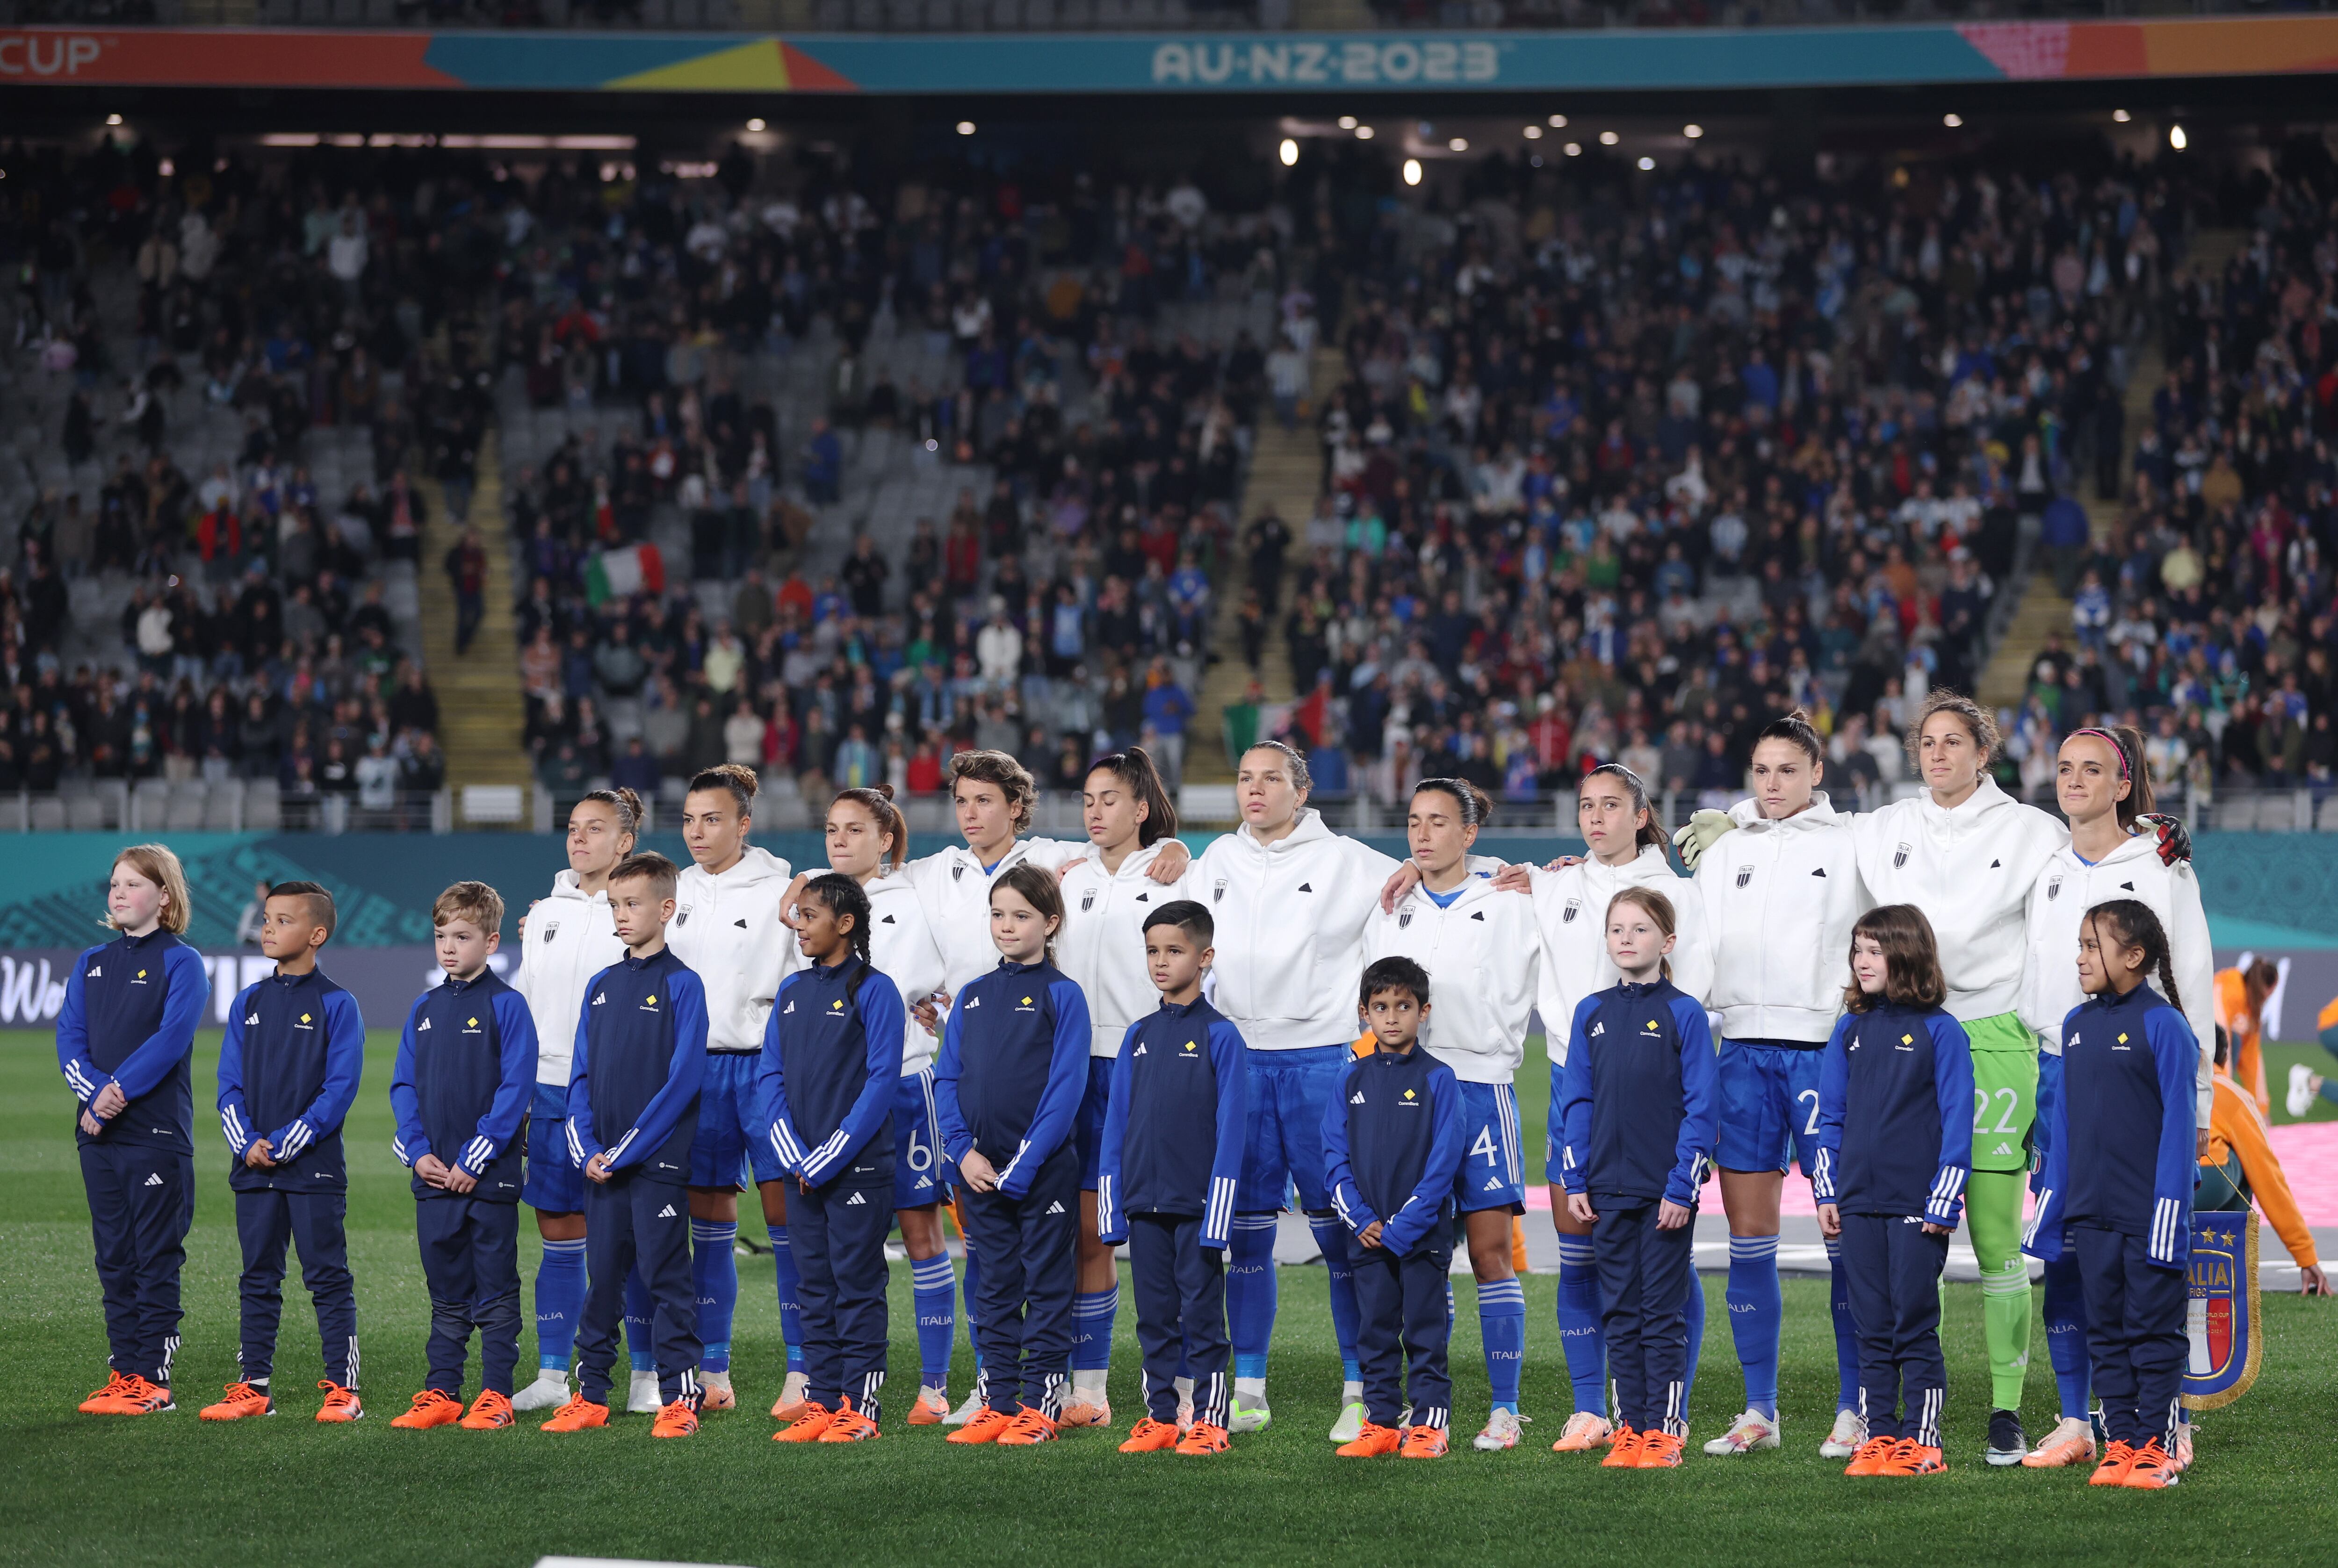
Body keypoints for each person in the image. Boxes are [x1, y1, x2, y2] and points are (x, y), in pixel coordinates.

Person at [1190, 741, 1401, 1436]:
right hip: (1240, 1062)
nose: (1255, 790)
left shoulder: (1348, 861)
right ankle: (1248, 1385)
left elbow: (1428, 873)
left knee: (1340, 1233)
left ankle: (1360, 1384)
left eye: (1271, 779)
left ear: (1301, 791)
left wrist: (1516, 875)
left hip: (1319, 1063)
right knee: (1245, 1235)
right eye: (1245, 778)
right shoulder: (1215, 860)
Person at [2018, 727, 2215, 1469]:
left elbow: (2191, 979)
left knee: (2151, 1252)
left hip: (2144, 1074)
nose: (2072, 780)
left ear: (2122, 784)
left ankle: (2166, 1421)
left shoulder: (2163, 866)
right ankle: (2081, 1420)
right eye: (2064, 767)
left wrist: (2198, 1104)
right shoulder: (2047, 869)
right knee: (2073, 1251)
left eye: (2091, 769)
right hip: (2060, 1064)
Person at [1509, 763, 1713, 1453]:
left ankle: (1666, 1416)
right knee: (1585, 1262)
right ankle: (1600, 1411)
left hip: (1653, 1101)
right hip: (1581, 1091)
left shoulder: (1681, 894)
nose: (1596, 818)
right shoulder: (1557, 881)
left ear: (1640, 812)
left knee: (1664, 1276)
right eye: (1586, 806)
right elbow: (1472, 871)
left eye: (1611, 806)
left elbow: (1698, 1013)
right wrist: (1413, 874)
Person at [1689, 712, 1870, 1459]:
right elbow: (1693, 942)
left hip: (1822, 1053)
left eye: (1787, 770)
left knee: (1844, 1238)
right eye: (1761, 771)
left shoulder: (1853, 841)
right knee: (1749, 1238)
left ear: (1817, 772)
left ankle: (1855, 1405)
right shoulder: (1724, 848)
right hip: (1740, 1054)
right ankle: (1759, 1409)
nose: (1772, 784)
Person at [1364, 779, 1538, 1451]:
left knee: (1492, 1253)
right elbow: (1370, 992)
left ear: (1470, 834)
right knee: (1418, 1253)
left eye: (1439, 821)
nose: (1423, 834)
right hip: (1407, 1092)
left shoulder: (1509, 898)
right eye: (1413, 821)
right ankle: (1422, 1405)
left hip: (1480, 1087)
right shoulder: (1392, 902)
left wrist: (1503, 870)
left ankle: (1504, 1407)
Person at [2022, 900, 2201, 1490]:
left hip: (2149, 1215)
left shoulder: (2164, 1026)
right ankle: (2120, 1444)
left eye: (2091, 947)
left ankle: (2155, 1448)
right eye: (2078, 945)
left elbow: (2178, 1128)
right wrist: (2055, 1209)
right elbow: (2067, 1127)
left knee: (2152, 1334)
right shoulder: (2076, 1026)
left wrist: (2169, 1214)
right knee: (2105, 1332)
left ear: (2134, 956)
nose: (2079, 958)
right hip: (2090, 1217)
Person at [541, 852, 711, 1439]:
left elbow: (683, 1080)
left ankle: (680, 1399)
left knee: (668, 1280)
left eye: (632, 904)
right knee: (603, 1278)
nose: (621, 914)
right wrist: (586, 1147)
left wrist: (626, 1150)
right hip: (602, 1167)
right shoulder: (602, 985)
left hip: (656, 1164)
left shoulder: (683, 985)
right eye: (615, 904)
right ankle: (591, 1396)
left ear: (666, 909)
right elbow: (580, 1079)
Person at [1557, 888, 1717, 1470]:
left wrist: (1682, 1186)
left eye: (1640, 929)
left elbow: (1702, 1107)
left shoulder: (1683, 1013)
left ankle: (1664, 1431)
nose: (1626, 939)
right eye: (1617, 929)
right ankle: (1630, 1431)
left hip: (1663, 1196)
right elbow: (1576, 1099)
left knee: (1660, 1314)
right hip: (1603, 1192)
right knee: (1619, 1313)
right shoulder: (1590, 1012)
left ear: (1666, 942)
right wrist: (1576, 1180)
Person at [812, 785, 957, 1423]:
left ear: (887, 839)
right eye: (832, 829)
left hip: (902, 1084)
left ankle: (933, 1384)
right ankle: (833, 1383)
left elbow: (957, 965)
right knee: (846, 1243)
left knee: (923, 1232)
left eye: (854, 830)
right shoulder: (813, 903)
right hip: (835, 1097)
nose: (840, 840)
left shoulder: (919, 895)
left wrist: (941, 1002)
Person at [1812, 906, 1973, 1479]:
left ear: (1906, 954)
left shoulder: (1941, 1031)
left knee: (1912, 1323)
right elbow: (1829, 1117)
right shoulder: (1848, 1029)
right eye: (1856, 949)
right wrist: (1827, 1194)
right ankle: (1878, 1436)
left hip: (1915, 1208)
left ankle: (1920, 1439)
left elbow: (1959, 1126)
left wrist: (1942, 1199)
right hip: (1856, 1204)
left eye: (1874, 950)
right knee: (1870, 1326)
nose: (1861, 960)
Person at [1054, 747, 1189, 1427]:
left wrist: (1180, 847)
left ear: (1140, 809)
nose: (1096, 811)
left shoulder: (1172, 876)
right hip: (1079, 1072)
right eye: (1088, 800)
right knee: (1090, 1235)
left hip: (1151, 1067)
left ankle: (1187, 1386)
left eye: (1110, 799)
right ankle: (1090, 1387)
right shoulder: (1066, 877)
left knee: (1170, 1230)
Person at [935, 864, 1093, 1446]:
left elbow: (1066, 1087)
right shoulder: (973, 995)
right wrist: (962, 1153)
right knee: (992, 1286)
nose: (1007, 926)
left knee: (1048, 1286)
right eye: (998, 914)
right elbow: (945, 1077)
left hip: (1041, 1171)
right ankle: (998, 1401)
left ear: (1050, 923)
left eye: (1021, 915)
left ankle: (1039, 1407)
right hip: (978, 1173)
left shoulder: (1062, 995)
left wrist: (1022, 1166)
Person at [202, 882, 368, 1423]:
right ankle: (252, 1387)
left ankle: (344, 1390)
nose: (267, 929)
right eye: (267, 920)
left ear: (316, 935)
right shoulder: (248, 1000)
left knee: (326, 1277)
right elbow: (228, 1084)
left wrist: (288, 1143)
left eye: (282, 920)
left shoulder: (338, 1003)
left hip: (312, 1171)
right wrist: (247, 1142)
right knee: (257, 1277)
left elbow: (339, 1089)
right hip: (252, 1167)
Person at [512, 788, 652, 1413]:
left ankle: (646, 1374)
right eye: (573, 827)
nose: (579, 838)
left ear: (624, 842)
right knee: (559, 1232)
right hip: (547, 1086)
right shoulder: (546, 909)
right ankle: (550, 1374)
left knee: (631, 1238)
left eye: (595, 829)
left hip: (614, 1091)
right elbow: (525, 1003)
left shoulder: (643, 908)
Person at [665, 764, 796, 1415]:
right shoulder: (671, 890)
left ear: (743, 824)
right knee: (710, 1220)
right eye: (689, 818)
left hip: (764, 1071)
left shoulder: (783, 889)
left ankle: (802, 1370)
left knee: (786, 1218)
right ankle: (712, 1370)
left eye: (712, 818)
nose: (697, 830)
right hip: (695, 1073)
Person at [61, 844, 208, 1416]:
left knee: (155, 1258)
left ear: (164, 897)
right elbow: (70, 1040)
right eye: (115, 884)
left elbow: (171, 1040)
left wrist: (112, 1095)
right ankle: (123, 1373)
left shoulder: (182, 962)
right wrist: (93, 1099)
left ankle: (153, 1380)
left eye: (133, 884)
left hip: (154, 1135)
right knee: (114, 1258)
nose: (118, 893)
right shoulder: (91, 961)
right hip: (97, 1136)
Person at [386, 882, 538, 1431]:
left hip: (487, 1180)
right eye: (440, 936)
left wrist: (474, 1159)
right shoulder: (424, 1007)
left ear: (492, 941)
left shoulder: (507, 1005)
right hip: (434, 1179)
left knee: (495, 1287)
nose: (448, 947)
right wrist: (419, 1154)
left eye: (462, 936)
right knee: (445, 1290)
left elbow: (516, 1089)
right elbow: (403, 1086)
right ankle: (441, 1391)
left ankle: (495, 1395)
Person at [1097, 900, 1247, 1456]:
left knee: (1203, 1319)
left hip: (1196, 1208)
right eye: (1152, 952)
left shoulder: (1221, 1036)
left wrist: (1218, 1213)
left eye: (1174, 951)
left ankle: (1211, 1420)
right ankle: (1160, 1416)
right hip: (1143, 1206)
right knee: (1154, 1318)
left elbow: (1232, 1131)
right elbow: (1116, 1127)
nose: (1161, 962)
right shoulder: (1138, 1034)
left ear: (1204, 958)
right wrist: (1113, 1209)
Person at [764, 874, 906, 1443]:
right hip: (803, 1170)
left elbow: (881, 1081)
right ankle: (822, 1401)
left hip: (857, 1169)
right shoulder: (792, 992)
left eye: (809, 916)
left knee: (857, 1285)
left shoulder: (875, 989)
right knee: (813, 1286)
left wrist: (827, 1156)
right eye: (797, 915)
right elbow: (769, 1075)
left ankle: (860, 1408)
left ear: (844, 924)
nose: (798, 925)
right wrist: (794, 1154)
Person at [1321, 956, 1465, 1460]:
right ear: (1364, 1013)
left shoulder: (1438, 1079)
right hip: (1365, 1236)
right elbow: (1332, 1158)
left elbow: (1445, 1162)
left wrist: (1404, 1226)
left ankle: (1429, 1425)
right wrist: (1361, 1220)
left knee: (1425, 1334)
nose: (1391, 1017)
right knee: (1374, 1332)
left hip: (1419, 1237)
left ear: (1422, 1012)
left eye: (1402, 1006)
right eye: (1380, 1007)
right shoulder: (1348, 1080)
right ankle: (1380, 1422)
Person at [2214, 958, 2280, 1115]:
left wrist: (2262, 1107)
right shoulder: (2229, 991)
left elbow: (2252, 1057)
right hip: (2196, 1040)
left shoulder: (2249, 1005)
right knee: (2233, 1044)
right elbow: (2223, 1043)